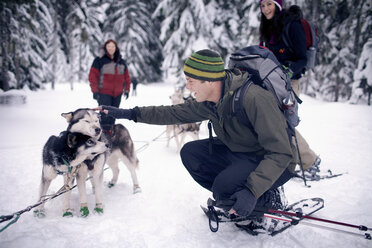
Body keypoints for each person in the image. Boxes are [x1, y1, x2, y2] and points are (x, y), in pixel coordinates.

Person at [94, 49, 296, 219]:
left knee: (223, 188)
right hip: (242, 151)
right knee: (191, 153)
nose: (188, 88)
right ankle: (237, 198)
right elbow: (171, 113)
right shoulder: (210, 101)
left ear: (209, 80)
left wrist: (252, 190)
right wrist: (129, 114)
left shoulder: (254, 99)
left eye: (191, 81)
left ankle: (265, 199)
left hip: (274, 161)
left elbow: (281, 153)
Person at [258, 0, 321, 176]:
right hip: (270, 82)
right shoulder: (267, 28)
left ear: (278, 5)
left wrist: (288, 69)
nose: (266, 9)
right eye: (263, 6)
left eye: (269, 4)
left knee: (284, 123)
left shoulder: (292, 25)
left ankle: (310, 162)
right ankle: (288, 161)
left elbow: (302, 59)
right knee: (271, 122)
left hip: (289, 84)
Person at [88, 39, 131, 136]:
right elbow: (93, 76)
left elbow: (127, 77)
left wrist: (127, 89)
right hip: (104, 93)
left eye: (113, 46)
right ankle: (102, 135)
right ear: (105, 48)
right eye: (109, 46)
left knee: (114, 114)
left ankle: (111, 134)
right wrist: (95, 91)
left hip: (118, 93)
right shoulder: (99, 60)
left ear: (116, 48)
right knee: (104, 115)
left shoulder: (121, 62)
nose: (111, 48)